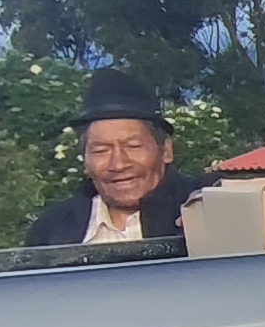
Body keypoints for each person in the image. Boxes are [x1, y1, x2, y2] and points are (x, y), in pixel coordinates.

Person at [23, 70, 210, 245]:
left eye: (133, 146)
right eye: (101, 151)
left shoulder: (204, 209)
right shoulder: (51, 229)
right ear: (85, 159)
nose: (118, 164)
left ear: (166, 150)